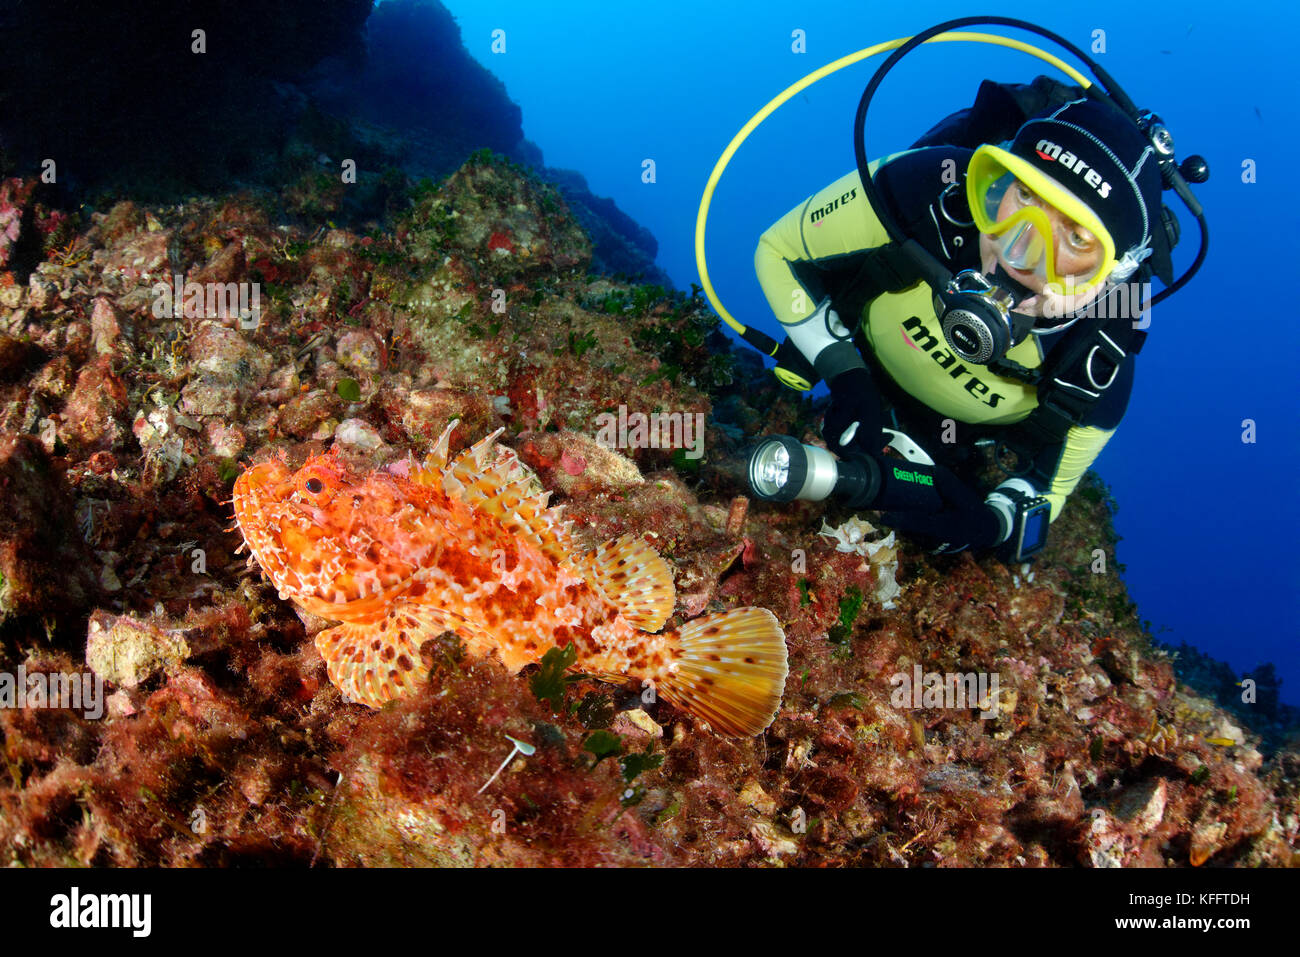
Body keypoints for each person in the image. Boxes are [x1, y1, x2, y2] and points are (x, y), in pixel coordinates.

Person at [753, 88, 1168, 559]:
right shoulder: (920, 189)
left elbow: (1048, 489)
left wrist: (989, 524)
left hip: (952, 442)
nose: (1016, 256)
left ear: (1117, 274)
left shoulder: (1099, 361)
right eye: (1024, 194)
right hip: (851, 349)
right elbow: (778, 249)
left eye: (1075, 237)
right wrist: (844, 373)